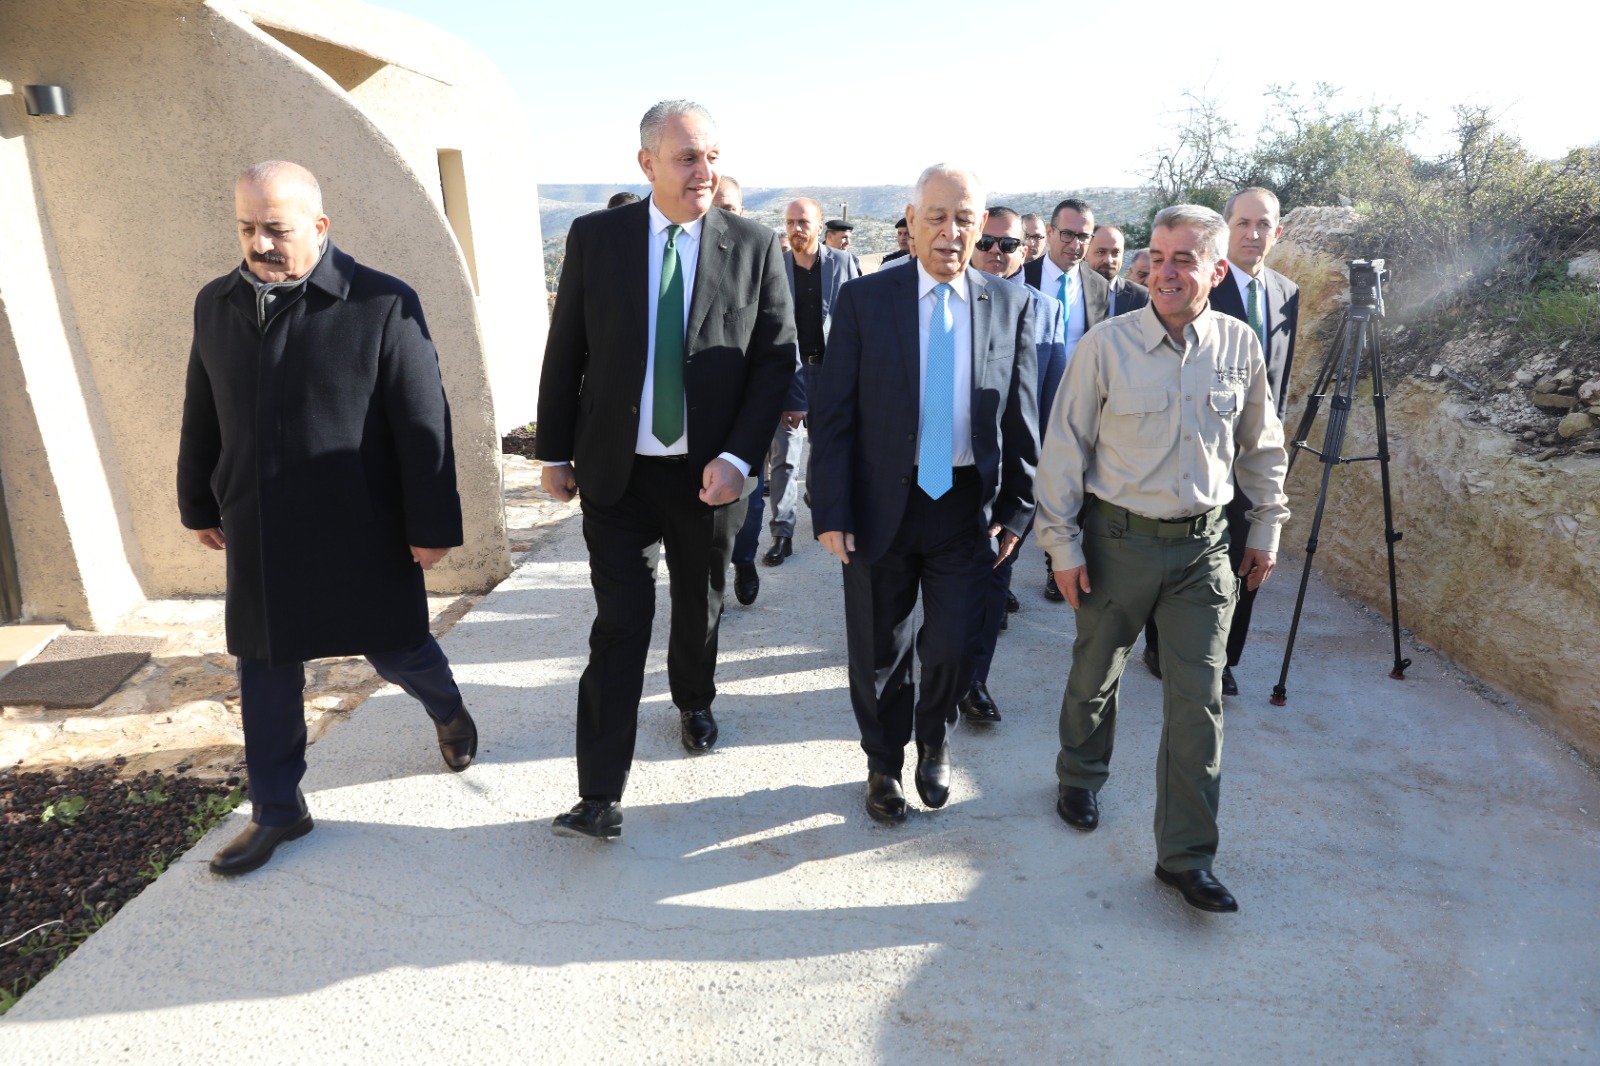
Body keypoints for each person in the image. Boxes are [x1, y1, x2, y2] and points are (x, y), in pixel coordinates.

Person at [178, 161, 475, 875]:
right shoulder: (216, 303)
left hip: (358, 523)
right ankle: (279, 810)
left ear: (319, 226)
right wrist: (199, 499)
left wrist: (432, 525)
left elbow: (423, 422)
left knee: (397, 649)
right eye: (247, 228)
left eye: (276, 229)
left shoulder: (382, 302)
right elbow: (202, 408)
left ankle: (447, 709)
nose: (259, 244)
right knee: (264, 666)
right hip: (259, 525)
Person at [536, 100, 797, 839]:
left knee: (699, 601)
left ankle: (694, 697)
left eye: (712, 156)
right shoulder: (597, 238)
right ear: (647, 163)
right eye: (688, 158)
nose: (704, 172)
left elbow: (774, 361)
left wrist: (738, 457)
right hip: (617, 474)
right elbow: (568, 346)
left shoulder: (753, 245)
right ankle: (599, 793)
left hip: (708, 475)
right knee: (620, 626)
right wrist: (555, 449)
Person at [1035, 204, 1289, 913]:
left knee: (1199, 702)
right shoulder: (1106, 346)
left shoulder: (1239, 344)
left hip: (1205, 550)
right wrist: (1061, 545)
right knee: (1096, 670)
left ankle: (1186, 857)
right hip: (1117, 542)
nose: (1165, 272)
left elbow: (1261, 444)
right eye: (1158, 256)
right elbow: (1064, 451)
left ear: (1217, 269)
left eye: (1185, 259)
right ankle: (1080, 774)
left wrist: (1266, 528)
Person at [810, 165, 1038, 824]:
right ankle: (883, 763)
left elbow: (1022, 416)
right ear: (910, 222)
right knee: (878, 650)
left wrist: (1018, 509)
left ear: (981, 225)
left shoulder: (1010, 304)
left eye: (963, 219)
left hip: (966, 506)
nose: (950, 231)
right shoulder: (865, 300)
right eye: (936, 216)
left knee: (953, 644)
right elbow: (833, 414)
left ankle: (933, 740)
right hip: (879, 503)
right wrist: (831, 509)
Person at [1142, 187, 1299, 695]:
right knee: (1178, 551)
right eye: (1243, 223)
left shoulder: (1286, 292)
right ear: (1226, 230)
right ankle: (1159, 645)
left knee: (1246, 556)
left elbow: (1278, 381)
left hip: (1249, 453)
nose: (1253, 234)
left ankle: (1224, 658)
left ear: (1277, 232)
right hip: (1196, 446)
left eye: (1263, 224)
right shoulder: (1197, 284)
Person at [959, 206, 1066, 726]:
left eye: (1008, 245)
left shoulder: (1044, 311)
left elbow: (1047, 404)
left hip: (1003, 478)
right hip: (940, 469)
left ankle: (973, 681)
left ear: (1026, 250)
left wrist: (1030, 490)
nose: (996, 253)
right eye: (986, 243)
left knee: (993, 579)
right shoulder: (942, 301)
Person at [1022, 197, 1115, 603]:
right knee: (1019, 487)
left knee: (1068, 488)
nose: (1076, 244)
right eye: (1067, 234)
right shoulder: (1021, 276)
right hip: (1027, 401)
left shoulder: (1098, 287)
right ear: (1049, 233)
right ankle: (998, 578)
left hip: (1078, 406)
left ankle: (1054, 567)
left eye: (1084, 236)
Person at [762, 198, 861, 568]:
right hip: (790, 375)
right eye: (790, 222)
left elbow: (859, 319)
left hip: (834, 374)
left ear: (820, 227)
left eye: (803, 222)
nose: (796, 229)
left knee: (830, 450)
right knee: (784, 457)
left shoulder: (844, 263)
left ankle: (825, 506)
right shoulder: (775, 267)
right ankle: (782, 533)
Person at [713, 177, 766, 607]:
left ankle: (744, 560)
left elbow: (778, 342)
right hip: (694, 418)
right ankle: (708, 581)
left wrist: (790, 399)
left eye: (728, 208)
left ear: (742, 212)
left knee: (748, 502)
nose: (720, 216)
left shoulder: (758, 256)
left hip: (746, 415)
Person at [1088, 224, 1149, 318]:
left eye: (1115, 253)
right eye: (1101, 252)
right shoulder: (1071, 292)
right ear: (1086, 254)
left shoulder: (1141, 297)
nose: (1108, 260)